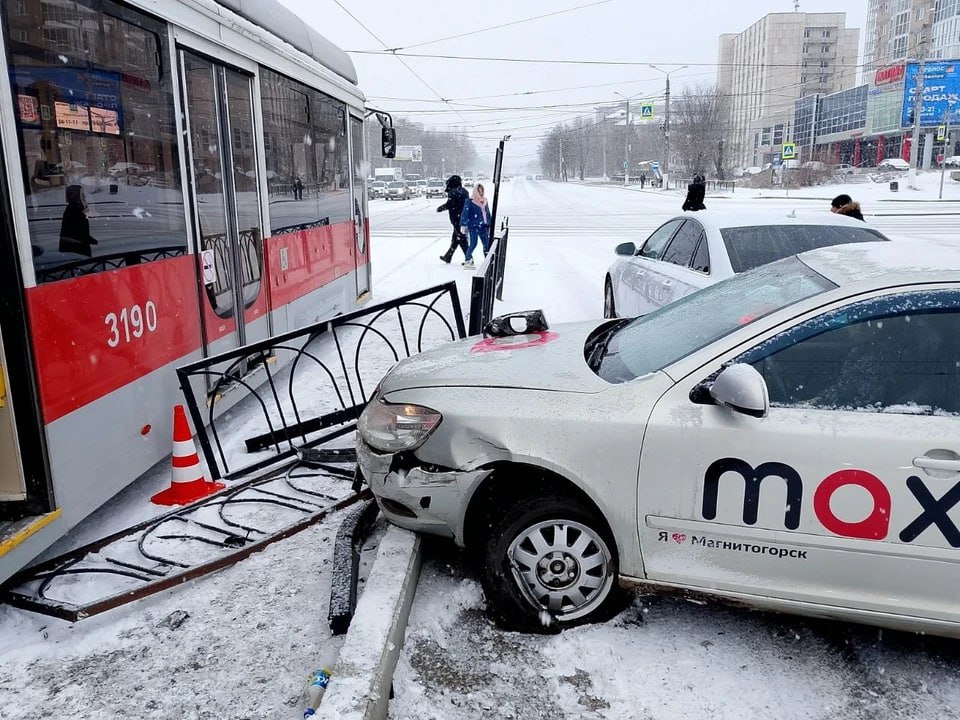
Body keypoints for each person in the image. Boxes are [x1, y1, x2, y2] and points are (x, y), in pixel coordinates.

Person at [437, 175, 469, 263]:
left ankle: (469, 259)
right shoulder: (465, 191)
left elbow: (450, 204)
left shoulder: (453, 192)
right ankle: (448, 256)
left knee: (461, 239)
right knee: (456, 238)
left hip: (457, 219)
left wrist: (441, 208)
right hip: (464, 218)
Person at [59, 184, 98, 257]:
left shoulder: (77, 208)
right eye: (82, 195)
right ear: (76, 196)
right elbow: (75, 231)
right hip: (75, 248)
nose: (84, 197)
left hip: (76, 245)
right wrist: (87, 239)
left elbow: (79, 229)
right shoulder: (74, 209)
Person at [458, 182, 491, 268]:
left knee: (486, 243)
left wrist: (489, 223)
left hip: (483, 226)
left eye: (481, 191)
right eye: (479, 191)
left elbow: (487, 213)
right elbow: (465, 213)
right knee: (474, 243)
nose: (480, 193)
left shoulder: (485, 201)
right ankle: (468, 259)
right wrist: (463, 224)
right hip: (473, 226)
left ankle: (488, 259)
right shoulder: (470, 201)